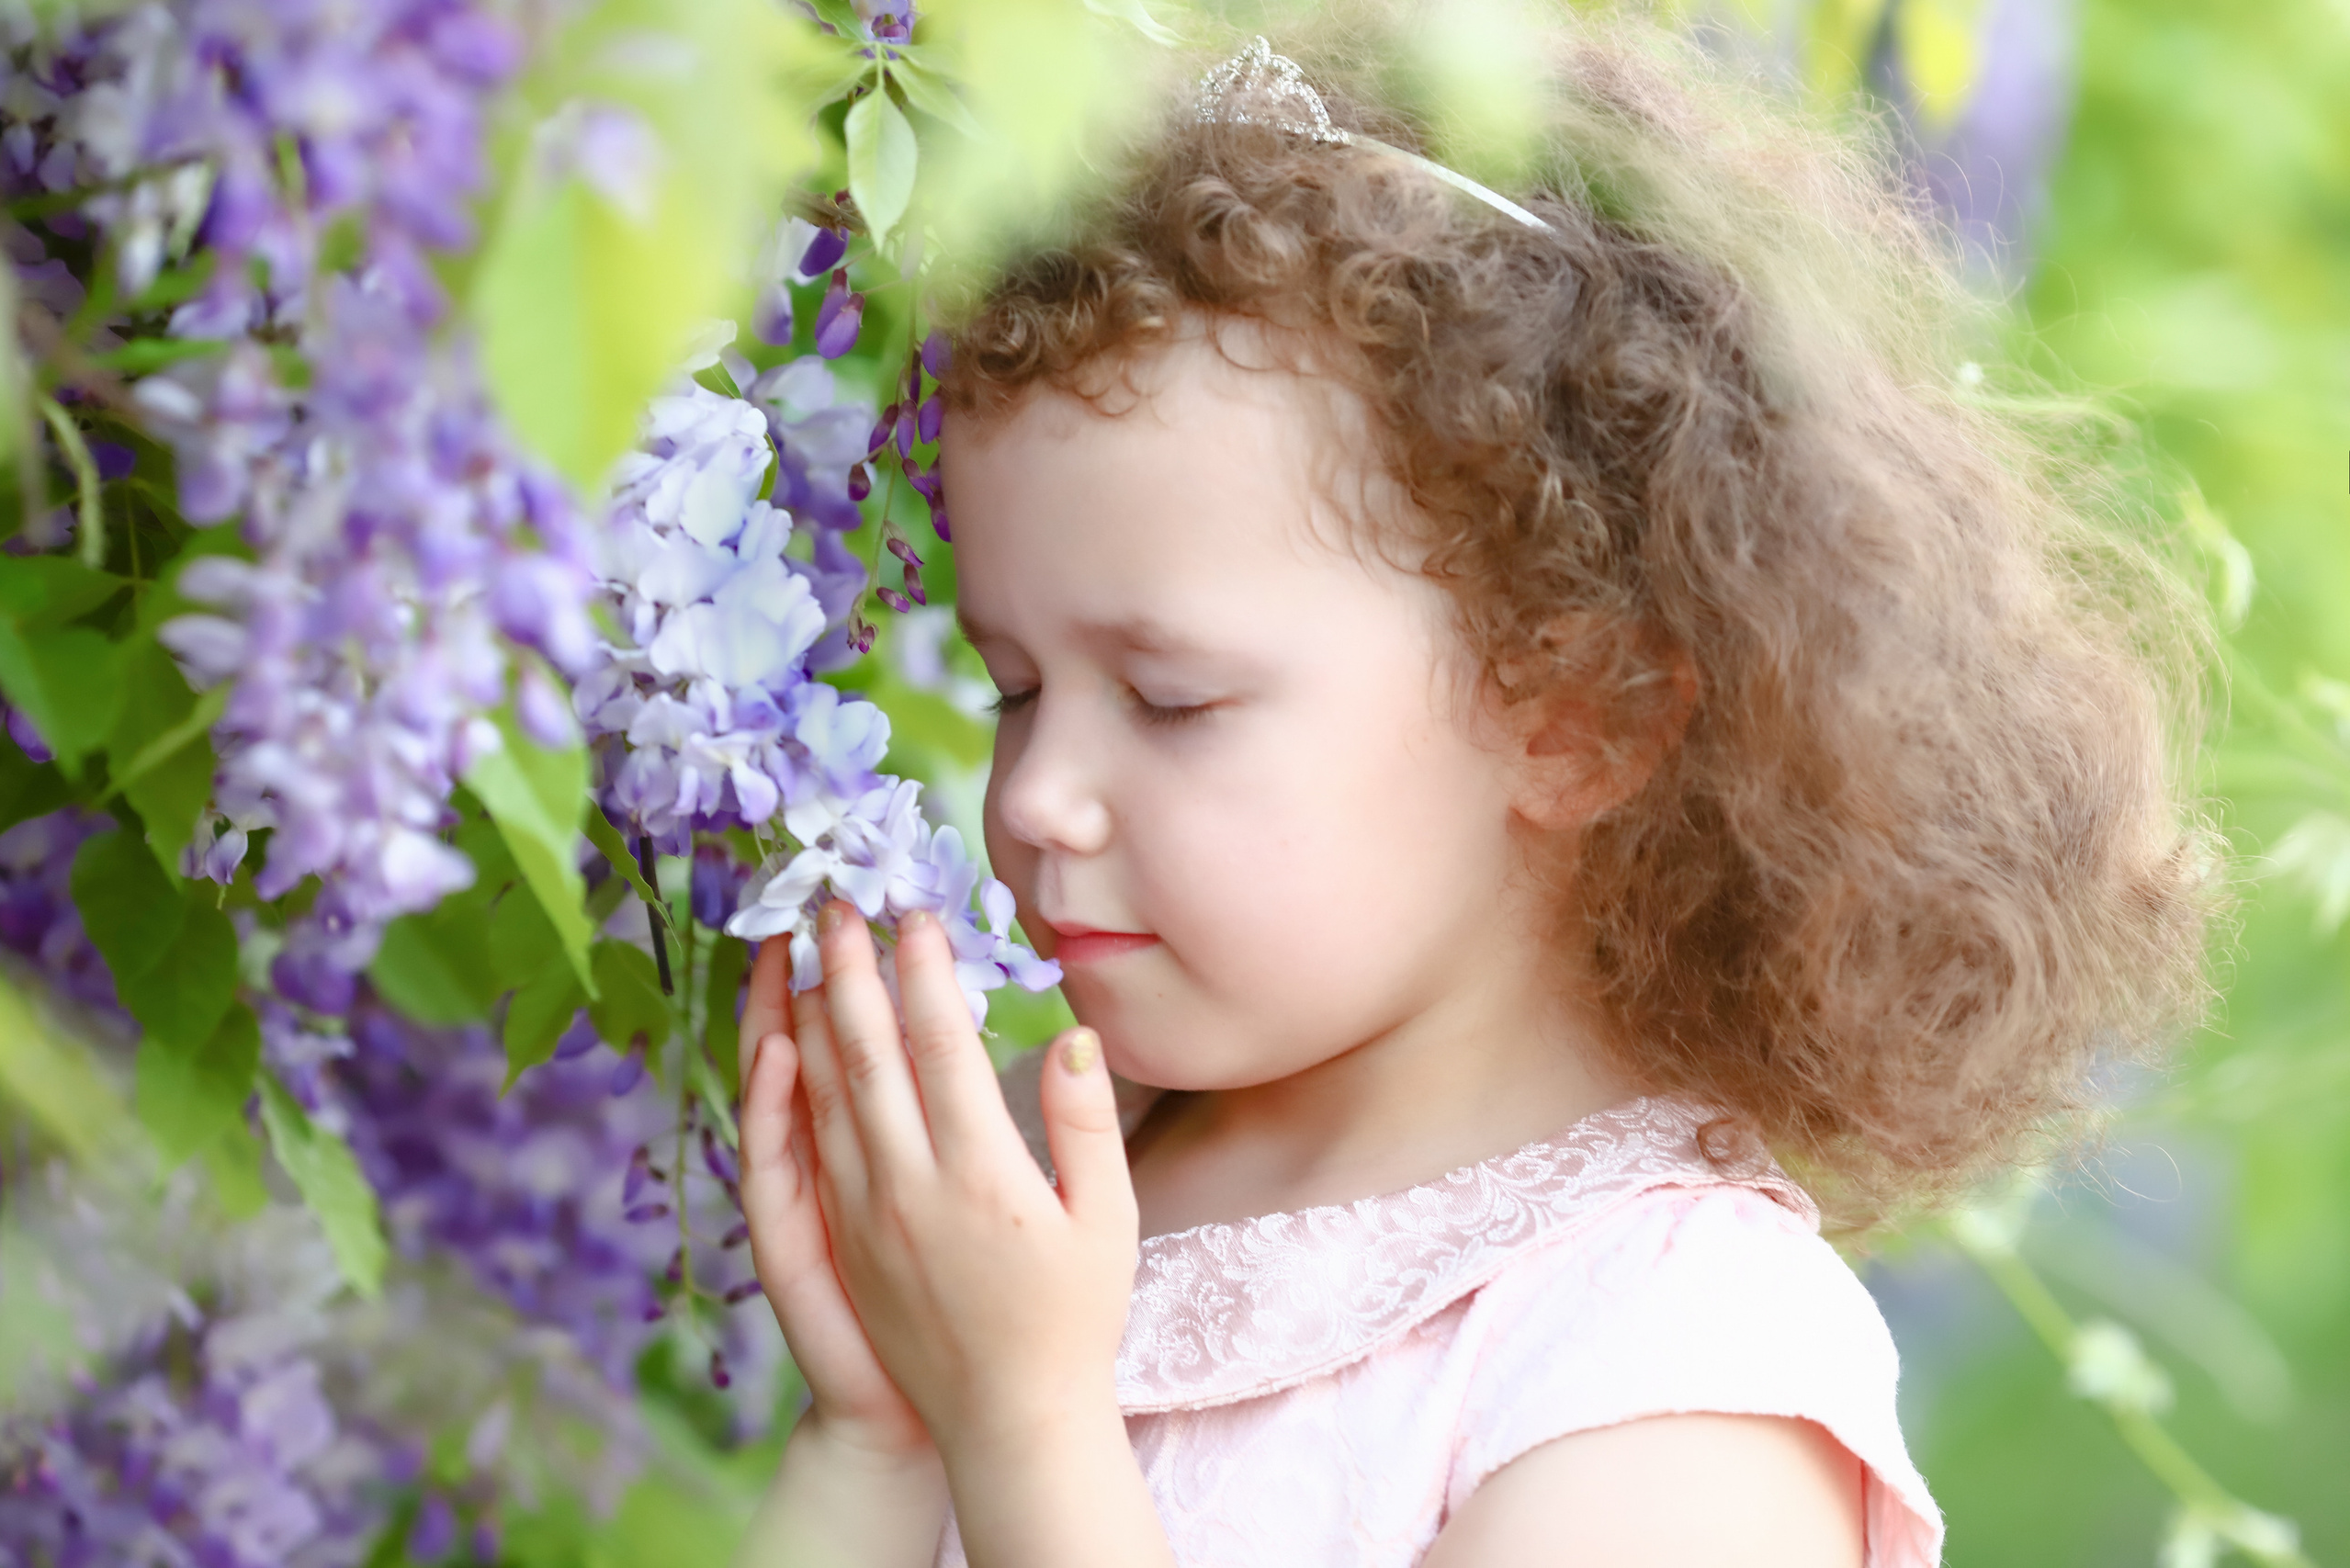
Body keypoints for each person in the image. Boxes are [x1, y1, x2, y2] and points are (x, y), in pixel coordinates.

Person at [731, 10, 2213, 1566]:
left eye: (1174, 701)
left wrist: (1022, 1424)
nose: (1036, 798)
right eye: (1016, 687)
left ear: (1579, 713)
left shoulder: (1669, 1376)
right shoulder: (1070, 1178)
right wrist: (881, 1428)